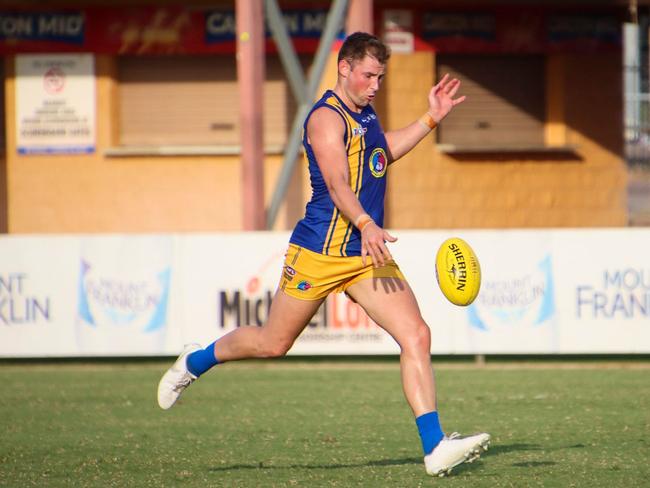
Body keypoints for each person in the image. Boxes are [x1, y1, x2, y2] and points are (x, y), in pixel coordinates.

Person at [158, 32, 490, 477]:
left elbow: (381, 154)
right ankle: (194, 361)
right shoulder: (324, 120)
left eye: (380, 77)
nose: (375, 85)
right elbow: (336, 185)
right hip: (320, 250)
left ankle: (434, 446)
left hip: (364, 252)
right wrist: (368, 222)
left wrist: (430, 119)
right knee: (273, 344)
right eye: (369, 75)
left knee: (417, 334)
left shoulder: (365, 115)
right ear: (345, 68)